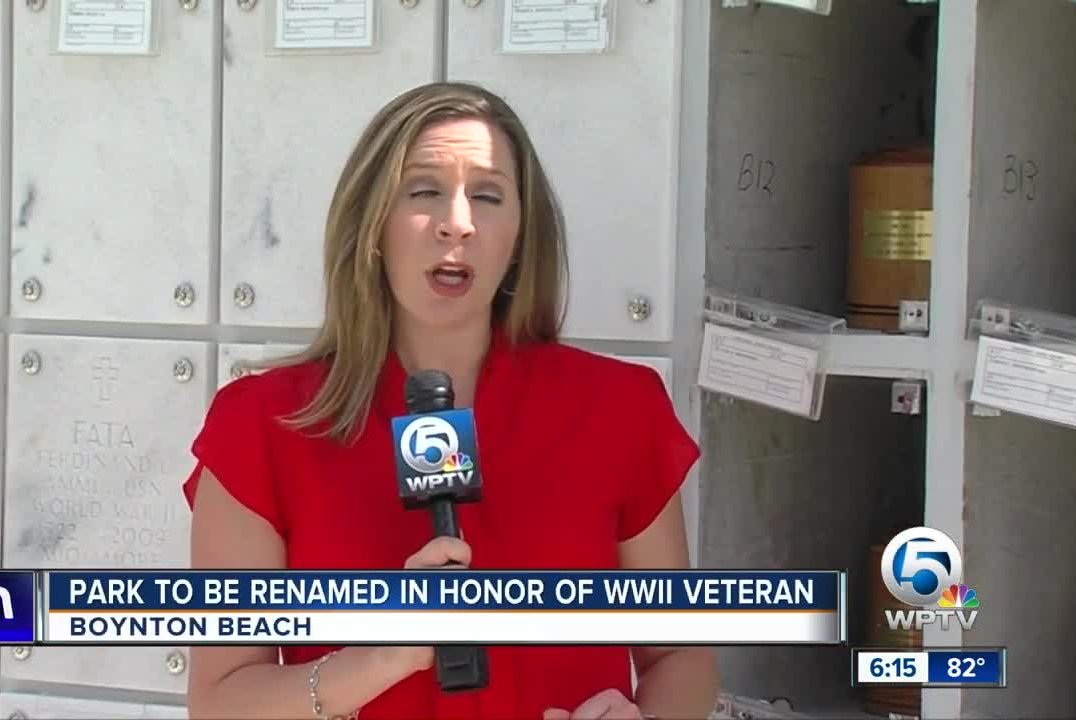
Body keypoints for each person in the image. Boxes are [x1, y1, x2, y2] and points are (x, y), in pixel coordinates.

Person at [182, 81, 718, 719]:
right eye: (424, 191)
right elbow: (219, 700)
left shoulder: (617, 408)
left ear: (520, 235)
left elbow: (681, 657)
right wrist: (381, 657)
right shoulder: (262, 426)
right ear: (372, 221)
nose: (457, 223)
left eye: (488, 196)